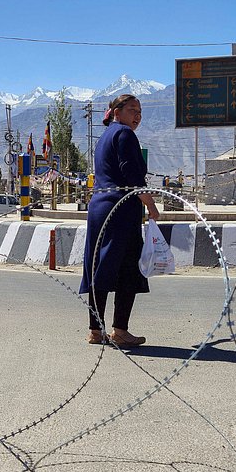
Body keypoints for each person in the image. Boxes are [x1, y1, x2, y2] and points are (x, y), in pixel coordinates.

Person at [79, 94, 159, 348]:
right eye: (132, 110)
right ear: (117, 112)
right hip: (121, 210)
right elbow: (132, 176)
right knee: (127, 270)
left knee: (99, 267)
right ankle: (120, 331)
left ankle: (95, 329)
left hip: (99, 209)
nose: (137, 116)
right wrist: (151, 205)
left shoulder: (104, 138)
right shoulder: (124, 135)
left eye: (140, 112)